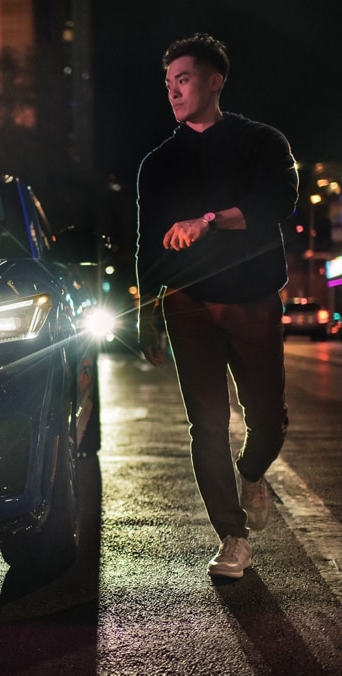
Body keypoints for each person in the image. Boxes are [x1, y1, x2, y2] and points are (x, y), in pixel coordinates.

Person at [135, 33, 298, 579]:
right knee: (206, 424)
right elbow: (146, 241)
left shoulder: (261, 141)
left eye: (183, 79)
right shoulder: (158, 163)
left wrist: (205, 222)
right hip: (188, 304)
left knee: (268, 422)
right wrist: (147, 315)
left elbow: (278, 203)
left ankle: (253, 473)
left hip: (252, 299)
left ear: (214, 80)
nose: (173, 91)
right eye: (167, 83)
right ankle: (232, 537)